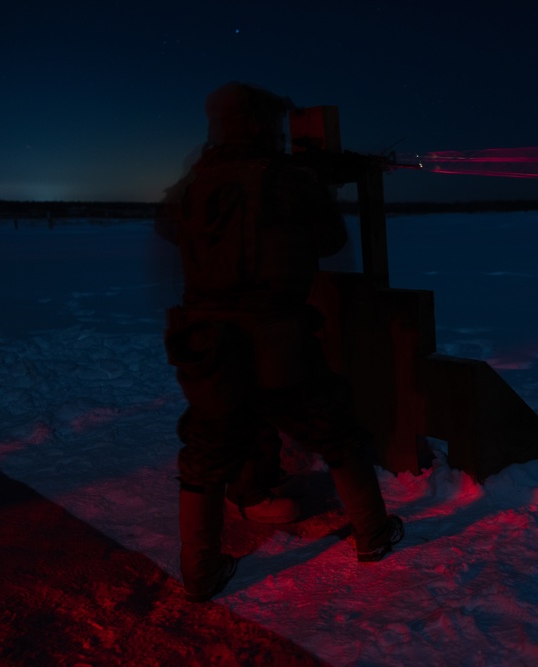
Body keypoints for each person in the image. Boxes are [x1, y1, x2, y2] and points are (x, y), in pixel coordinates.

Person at [158, 81, 403, 603]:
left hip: (207, 341)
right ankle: (374, 535)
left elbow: (172, 228)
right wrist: (309, 182)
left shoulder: (195, 183)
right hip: (275, 337)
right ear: (262, 126)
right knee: (336, 432)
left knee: (204, 451)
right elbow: (331, 239)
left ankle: (200, 572)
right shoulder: (286, 180)